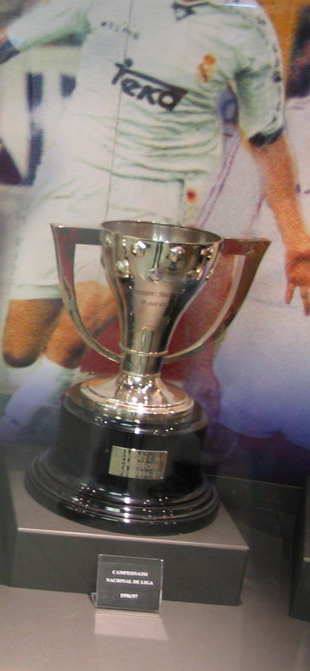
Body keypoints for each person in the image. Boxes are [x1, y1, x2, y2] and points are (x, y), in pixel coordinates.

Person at [0, 0, 310, 447]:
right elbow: (4, 45)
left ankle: (2, 442)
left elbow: (268, 136)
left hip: (157, 191)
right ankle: (31, 419)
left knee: (75, 335)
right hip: (73, 175)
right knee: (19, 349)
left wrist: (297, 240)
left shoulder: (245, 24)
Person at [195, 6, 310, 484]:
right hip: (261, 356)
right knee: (242, 506)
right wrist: (202, 364)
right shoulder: (273, 130)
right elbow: (221, 250)